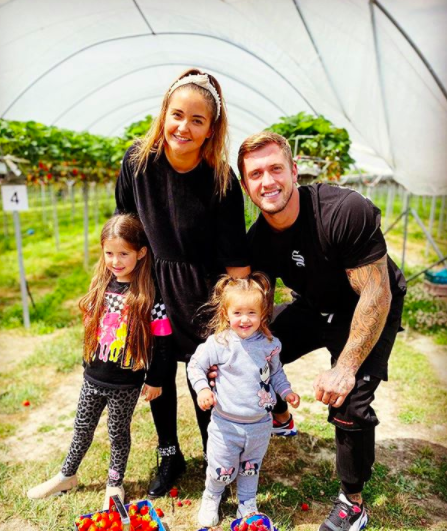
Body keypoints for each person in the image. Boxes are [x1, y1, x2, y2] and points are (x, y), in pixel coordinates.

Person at [237, 132, 406, 531]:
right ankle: (281, 417)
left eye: (276, 168)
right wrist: (239, 346)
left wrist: (345, 366)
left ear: (294, 171)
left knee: (349, 401)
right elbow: (258, 306)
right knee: (253, 349)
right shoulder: (258, 238)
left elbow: (376, 292)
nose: (268, 181)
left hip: (369, 305)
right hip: (315, 305)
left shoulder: (343, 210)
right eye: (256, 174)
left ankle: (353, 502)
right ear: (246, 186)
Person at [115, 68, 250, 497]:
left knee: (205, 378)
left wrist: (234, 318)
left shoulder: (222, 181)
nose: (183, 127)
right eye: (177, 115)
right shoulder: (137, 164)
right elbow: (124, 225)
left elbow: (236, 263)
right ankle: (169, 453)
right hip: (152, 287)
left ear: (211, 129)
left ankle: (218, 459)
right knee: (156, 374)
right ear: (163, 114)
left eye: (197, 120)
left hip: (201, 293)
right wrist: (118, 289)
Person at [27, 214, 171, 509]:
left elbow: (164, 344)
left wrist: (156, 379)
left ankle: (114, 483)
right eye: (109, 253)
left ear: (141, 253)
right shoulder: (100, 288)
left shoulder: (149, 297)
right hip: (93, 378)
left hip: (125, 384)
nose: (115, 261)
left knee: (118, 434)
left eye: (123, 254)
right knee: (82, 427)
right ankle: (67, 475)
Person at [187, 273, 300, 527]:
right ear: (226, 313)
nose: (245, 319)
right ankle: (212, 496)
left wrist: (286, 392)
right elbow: (195, 366)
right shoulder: (219, 343)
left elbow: (277, 373)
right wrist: (203, 389)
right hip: (226, 425)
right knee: (221, 467)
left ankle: (247, 503)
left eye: (251, 313)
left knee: (251, 467)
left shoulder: (270, 344)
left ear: (263, 314)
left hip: (260, 424)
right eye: (238, 313)